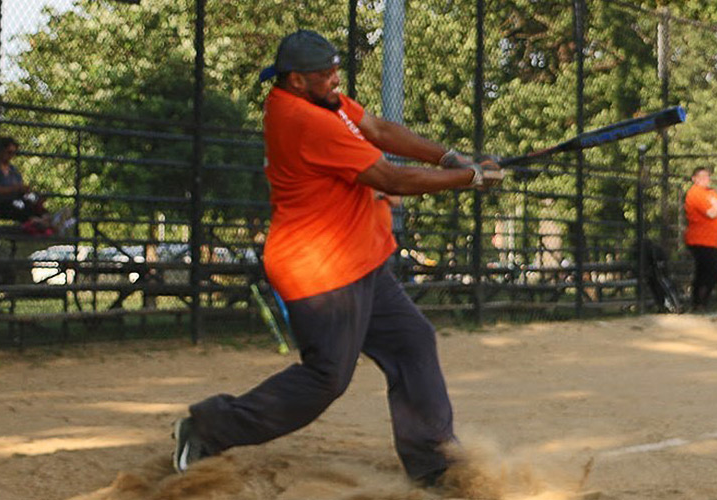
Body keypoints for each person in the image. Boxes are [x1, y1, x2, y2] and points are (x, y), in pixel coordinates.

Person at [171, 30, 503, 488]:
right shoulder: (305, 121)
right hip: (321, 271)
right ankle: (208, 427)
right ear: (295, 80)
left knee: (411, 343)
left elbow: (380, 130)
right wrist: (470, 178)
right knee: (325, 379)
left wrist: (448, 157)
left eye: (334, 70)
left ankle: (434, 466)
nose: (334, 79)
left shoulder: (324, 102)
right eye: (323, 74)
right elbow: (392, 178)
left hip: (359, 259)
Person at [0, 136, 73, 235]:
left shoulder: (13, 170)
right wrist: (16, 189)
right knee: (21, 206)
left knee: (33, 202)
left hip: (15, 200)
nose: (11, 156)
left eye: (14, 153)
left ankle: (48, 220)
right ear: (0, 151)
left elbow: (20, 188)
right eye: (9, 152)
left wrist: (29, 193)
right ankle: (44, 223)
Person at [683, 166, 717, 310]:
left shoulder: (711, 192)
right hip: (700, 240)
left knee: (715, 271)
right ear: (694, 179)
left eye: (707, 177)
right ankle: (698, 303)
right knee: (704, 271)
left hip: (715, 240)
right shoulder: (694, 193)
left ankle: (702, 302)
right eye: (701, 177)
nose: (705, 180)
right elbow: (710, 213)